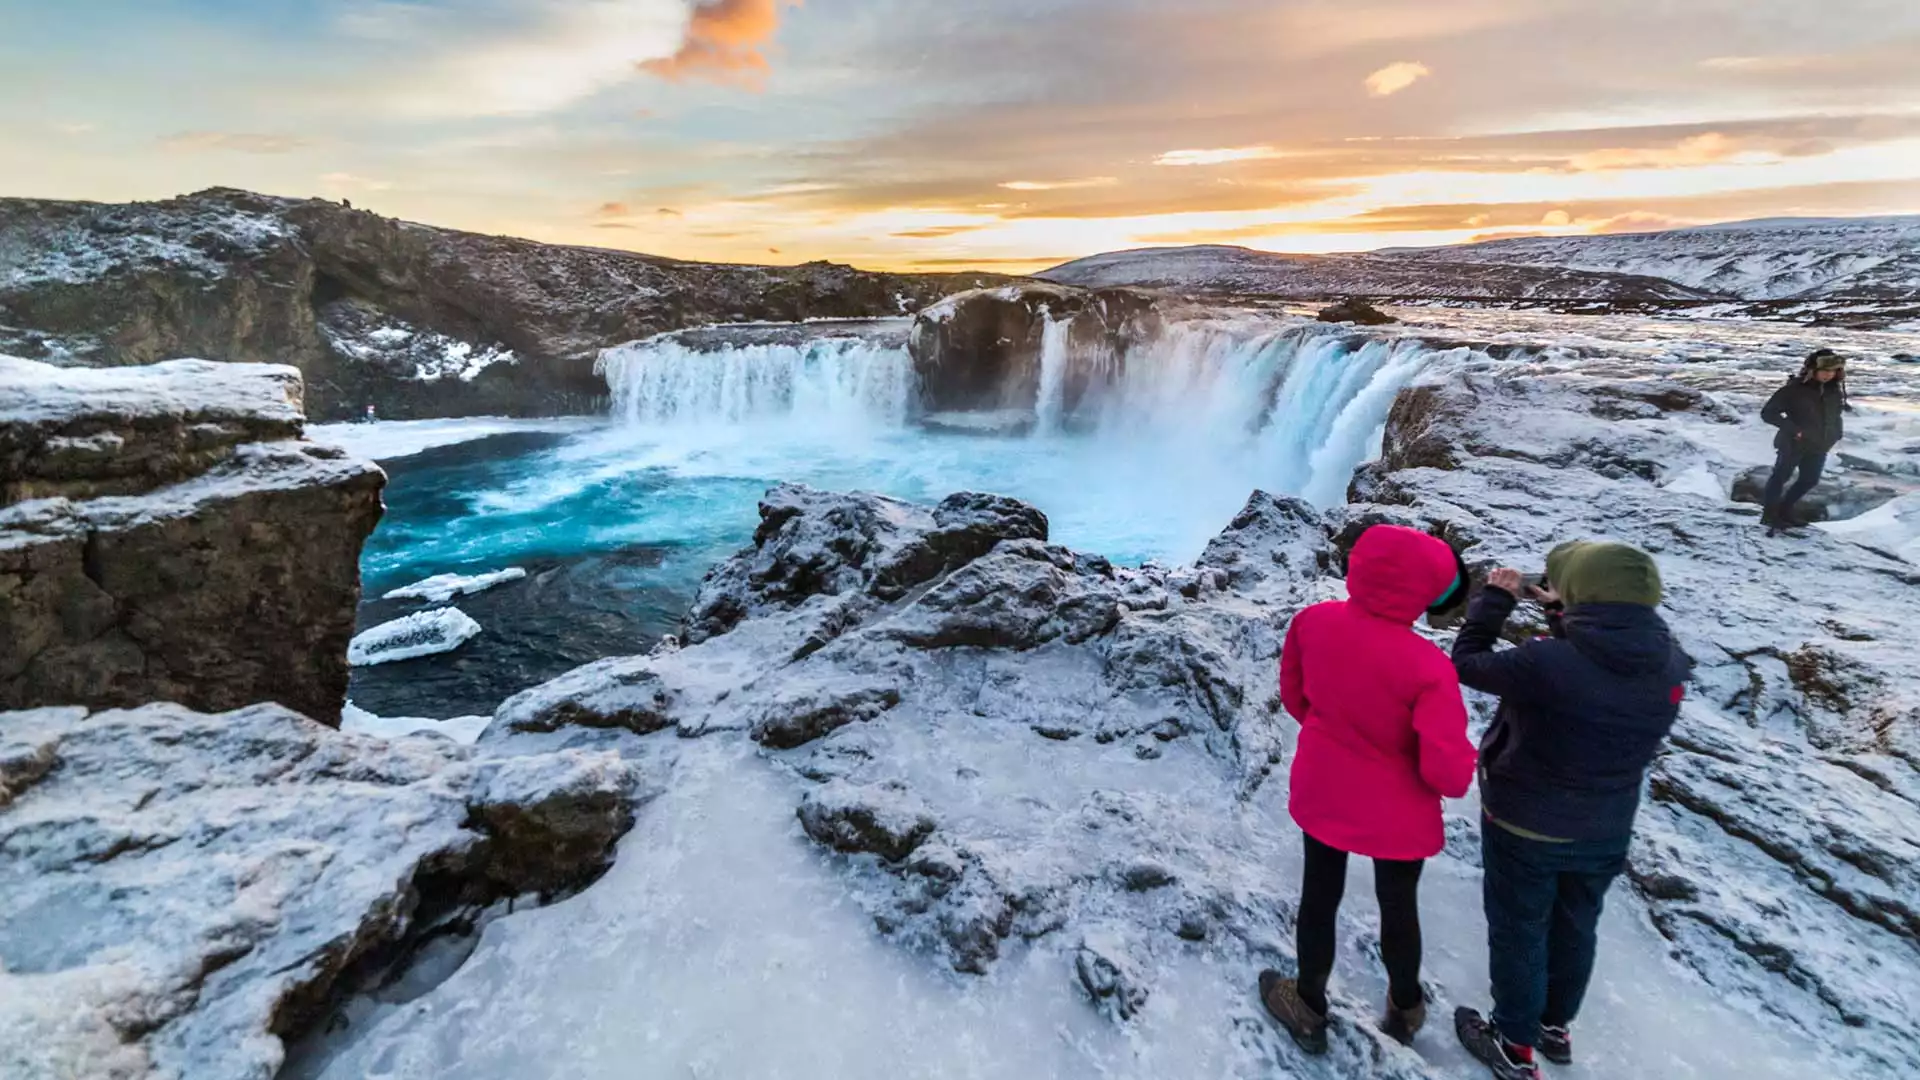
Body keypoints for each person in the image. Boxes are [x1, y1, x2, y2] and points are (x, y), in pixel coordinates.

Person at [1450, 542, 1692, 1080]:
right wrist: (1562, 613)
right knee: (1576, 925)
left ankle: (1514, 1046)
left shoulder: (1546, 662)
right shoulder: (1669, 658)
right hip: (1605, 825)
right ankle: (1554, 1027)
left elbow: (1467, 662)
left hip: (1525, 821)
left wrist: (1494, 600)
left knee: (1519, 929)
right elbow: (1598, 663)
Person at [1258, 525, 1478, 1053]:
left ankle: (1307, 1004)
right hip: (1398, 813)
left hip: (1325, 789)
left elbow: (1295, 696)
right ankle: (1405, 1006)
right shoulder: (1429, 667)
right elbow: (1447, 771)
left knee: (1319, 896)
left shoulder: (1313, 623)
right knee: (1398, 905)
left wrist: (1333, 733)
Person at [1760, 349, 1848, 534]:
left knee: (1810, 480)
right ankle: (1769, 515)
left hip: (1819, 444)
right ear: (1812, 370)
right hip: (1793, 443)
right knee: (1780, 477)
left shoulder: (1834, 391)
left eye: (1832, 371)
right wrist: (1794, 430)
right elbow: (1768, 413)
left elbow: (1836, 414)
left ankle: (1785, 511)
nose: (1828, 375)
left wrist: (1836, 433)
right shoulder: (1793, 389)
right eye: (1824, 370)